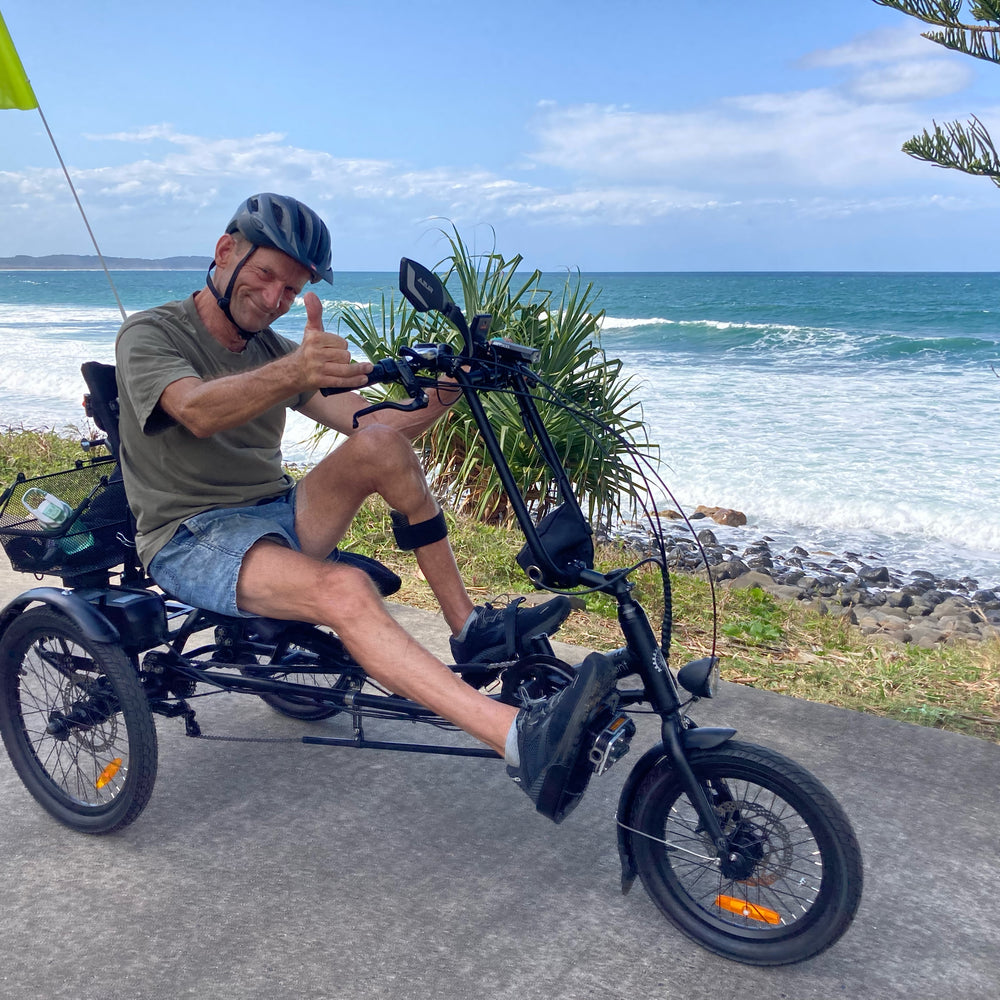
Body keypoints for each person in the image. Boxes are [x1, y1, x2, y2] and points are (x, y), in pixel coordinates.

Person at [114, 193, 618, 820]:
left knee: (379, 444)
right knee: (346, 591)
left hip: (274, 516)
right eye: (266, 275)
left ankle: (468, 630)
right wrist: (297, 369)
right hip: (190, 537)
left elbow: (371, 424)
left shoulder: (271, 352)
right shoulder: (151, 333)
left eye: (291, 288)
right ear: (225, 252)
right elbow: (194, 410)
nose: (275, 298)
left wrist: (445, 392)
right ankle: (518, 738)